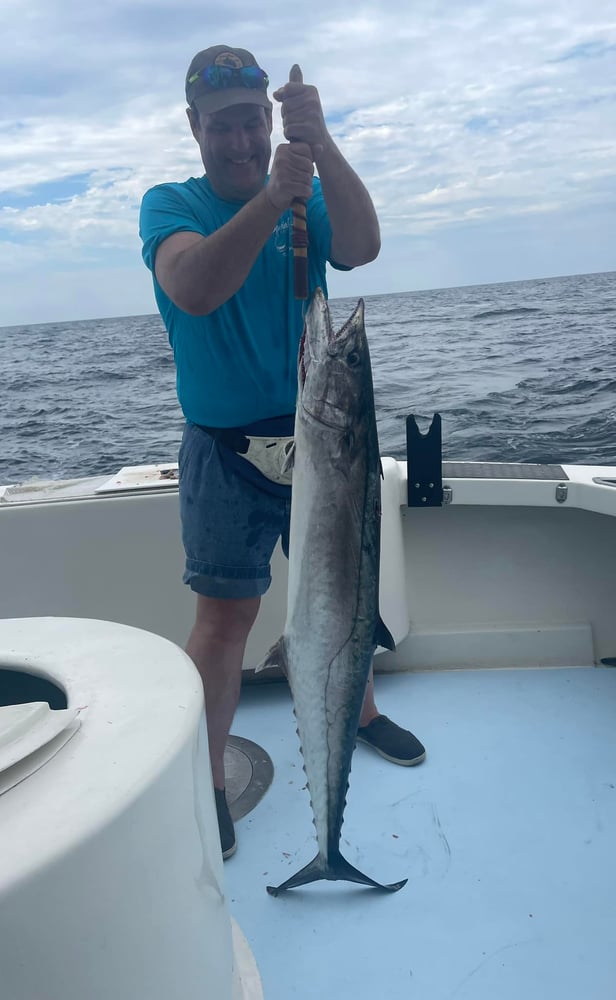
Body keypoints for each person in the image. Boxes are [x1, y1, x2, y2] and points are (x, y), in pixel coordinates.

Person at [139, 45, 425, 859]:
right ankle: (210, 775)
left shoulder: (309, 192)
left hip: (324, 438)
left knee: (347, 592)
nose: (240, 140)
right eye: (223, 125)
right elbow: (193, 286)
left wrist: (322, 143)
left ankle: (358, 714)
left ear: (272, 119)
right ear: (194, 126)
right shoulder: (172, 205)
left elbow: (362, 247)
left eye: (252, 122)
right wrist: (273, 197)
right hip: (226, 452)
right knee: (226, 620)